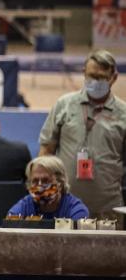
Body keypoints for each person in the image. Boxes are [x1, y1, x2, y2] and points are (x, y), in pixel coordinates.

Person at [39, 49, 125, 224]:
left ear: (113, 78)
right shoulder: (64, 105)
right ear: (83, 73)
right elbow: (46, 151)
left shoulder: (123, 113)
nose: (95, 81)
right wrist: (46, 192)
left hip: (108, 209)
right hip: (65, 206)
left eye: (101, 77)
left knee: (108, 252)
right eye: (91, 76)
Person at [7, 156, 89, 221]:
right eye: (35, 181)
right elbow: (9, 227)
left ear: (60, 183)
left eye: (46, 181)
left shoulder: (76, 210)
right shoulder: (25, 206)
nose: (40, 186)